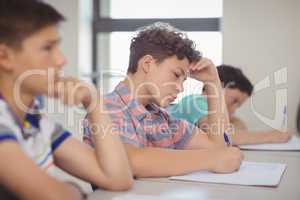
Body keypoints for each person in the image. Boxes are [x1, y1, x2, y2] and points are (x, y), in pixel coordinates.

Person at [0, 0, 133, 199]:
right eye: (47, 48)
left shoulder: (35, 120)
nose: (61, 60)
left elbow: (119, 179)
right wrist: (73, 189)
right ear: (5, 56)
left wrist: (93, 101)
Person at [84, 22, 244, 178]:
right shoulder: (107, 107)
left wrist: (213, 83)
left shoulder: (163, 118)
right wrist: (211, 159)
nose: (180, 88)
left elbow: (219, 145)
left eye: (184, 80)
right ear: (147, 64)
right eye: (176, 75)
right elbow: (130, 160)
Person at [168, 64, 291, 145]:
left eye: (238, 106)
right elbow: (224, 135)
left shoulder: (209, 111)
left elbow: (240, 127)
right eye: (234, 101)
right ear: (219, 86)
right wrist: (271, 136)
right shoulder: (197, 102)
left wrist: (232, 124)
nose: (233, 110)